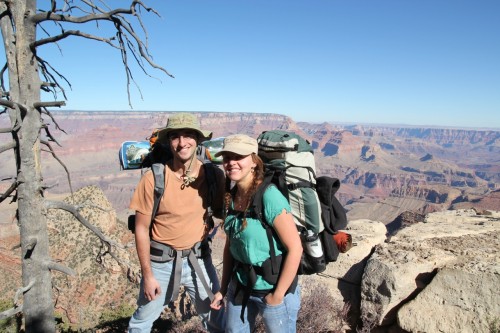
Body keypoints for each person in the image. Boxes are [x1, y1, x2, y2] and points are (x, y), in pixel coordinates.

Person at [128, 113, 225, 333]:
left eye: (189, 135)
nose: (182, 143)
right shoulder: (154, 179)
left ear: (198, 140)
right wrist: (148, 275)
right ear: (168, 142)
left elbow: (223, 213)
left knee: (217, 319)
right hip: (161, 264)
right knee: (141, 323)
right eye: (175, 137)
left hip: (199, 260)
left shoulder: (213, 176)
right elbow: (141, 229)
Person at [210, 134, 302, 333]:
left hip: (273, 288)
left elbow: (295, 248)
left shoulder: (269, 196)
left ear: (254, 161)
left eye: (238, 157)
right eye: (227, 157)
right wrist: (223, 289)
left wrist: (277, 296)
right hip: (240, 285)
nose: (231, 163)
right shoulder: (231, 197)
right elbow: (230, 247)